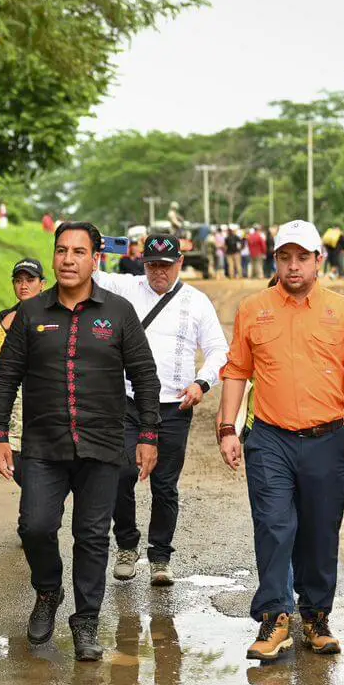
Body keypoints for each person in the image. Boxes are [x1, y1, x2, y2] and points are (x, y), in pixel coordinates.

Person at [0, 221, 161, 662]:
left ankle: (85, 620)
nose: (68, 259)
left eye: (79, 252)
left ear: (95, 259)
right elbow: (6, 376)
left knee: (91, 535)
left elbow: (144, 376)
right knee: (36, 526)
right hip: (44, 447)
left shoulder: (118, 313)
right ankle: (47, 590)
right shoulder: (31, 315)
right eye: (61, 250)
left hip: (103, 446)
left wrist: (147, 435)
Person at [216, 219, 344, 662]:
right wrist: (227, 426)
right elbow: (236, 370)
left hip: (326, 440)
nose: (293, 267)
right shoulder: (254, 308)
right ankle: (274, 617)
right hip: (269, 438)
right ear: (275, 260)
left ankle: (315, 617)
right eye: (285, 258)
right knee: (274, 525)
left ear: (318, 260)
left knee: (319, 530)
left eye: (302, 258)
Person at [91, 234, 229, 586]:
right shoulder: (125, 288)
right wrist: (100, 243)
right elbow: (87, 272)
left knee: (165, 485)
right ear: (143, 263)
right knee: (121, 474)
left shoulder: (197, 302)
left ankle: (160, 556)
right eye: (152, 264)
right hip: (126, 402)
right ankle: (126, 545)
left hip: (173, 406)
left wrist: (202, 383)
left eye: (166, 266)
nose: (159, 273)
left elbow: (218, 349)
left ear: (180, 264)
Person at [0, 258, 47, 488]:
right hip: (15, 411)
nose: (23, 285)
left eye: (30, 280)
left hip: (47, 408)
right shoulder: (2, 318)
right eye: (18, 280)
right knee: (23, 474)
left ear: (42, 284)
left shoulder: (56, 316)